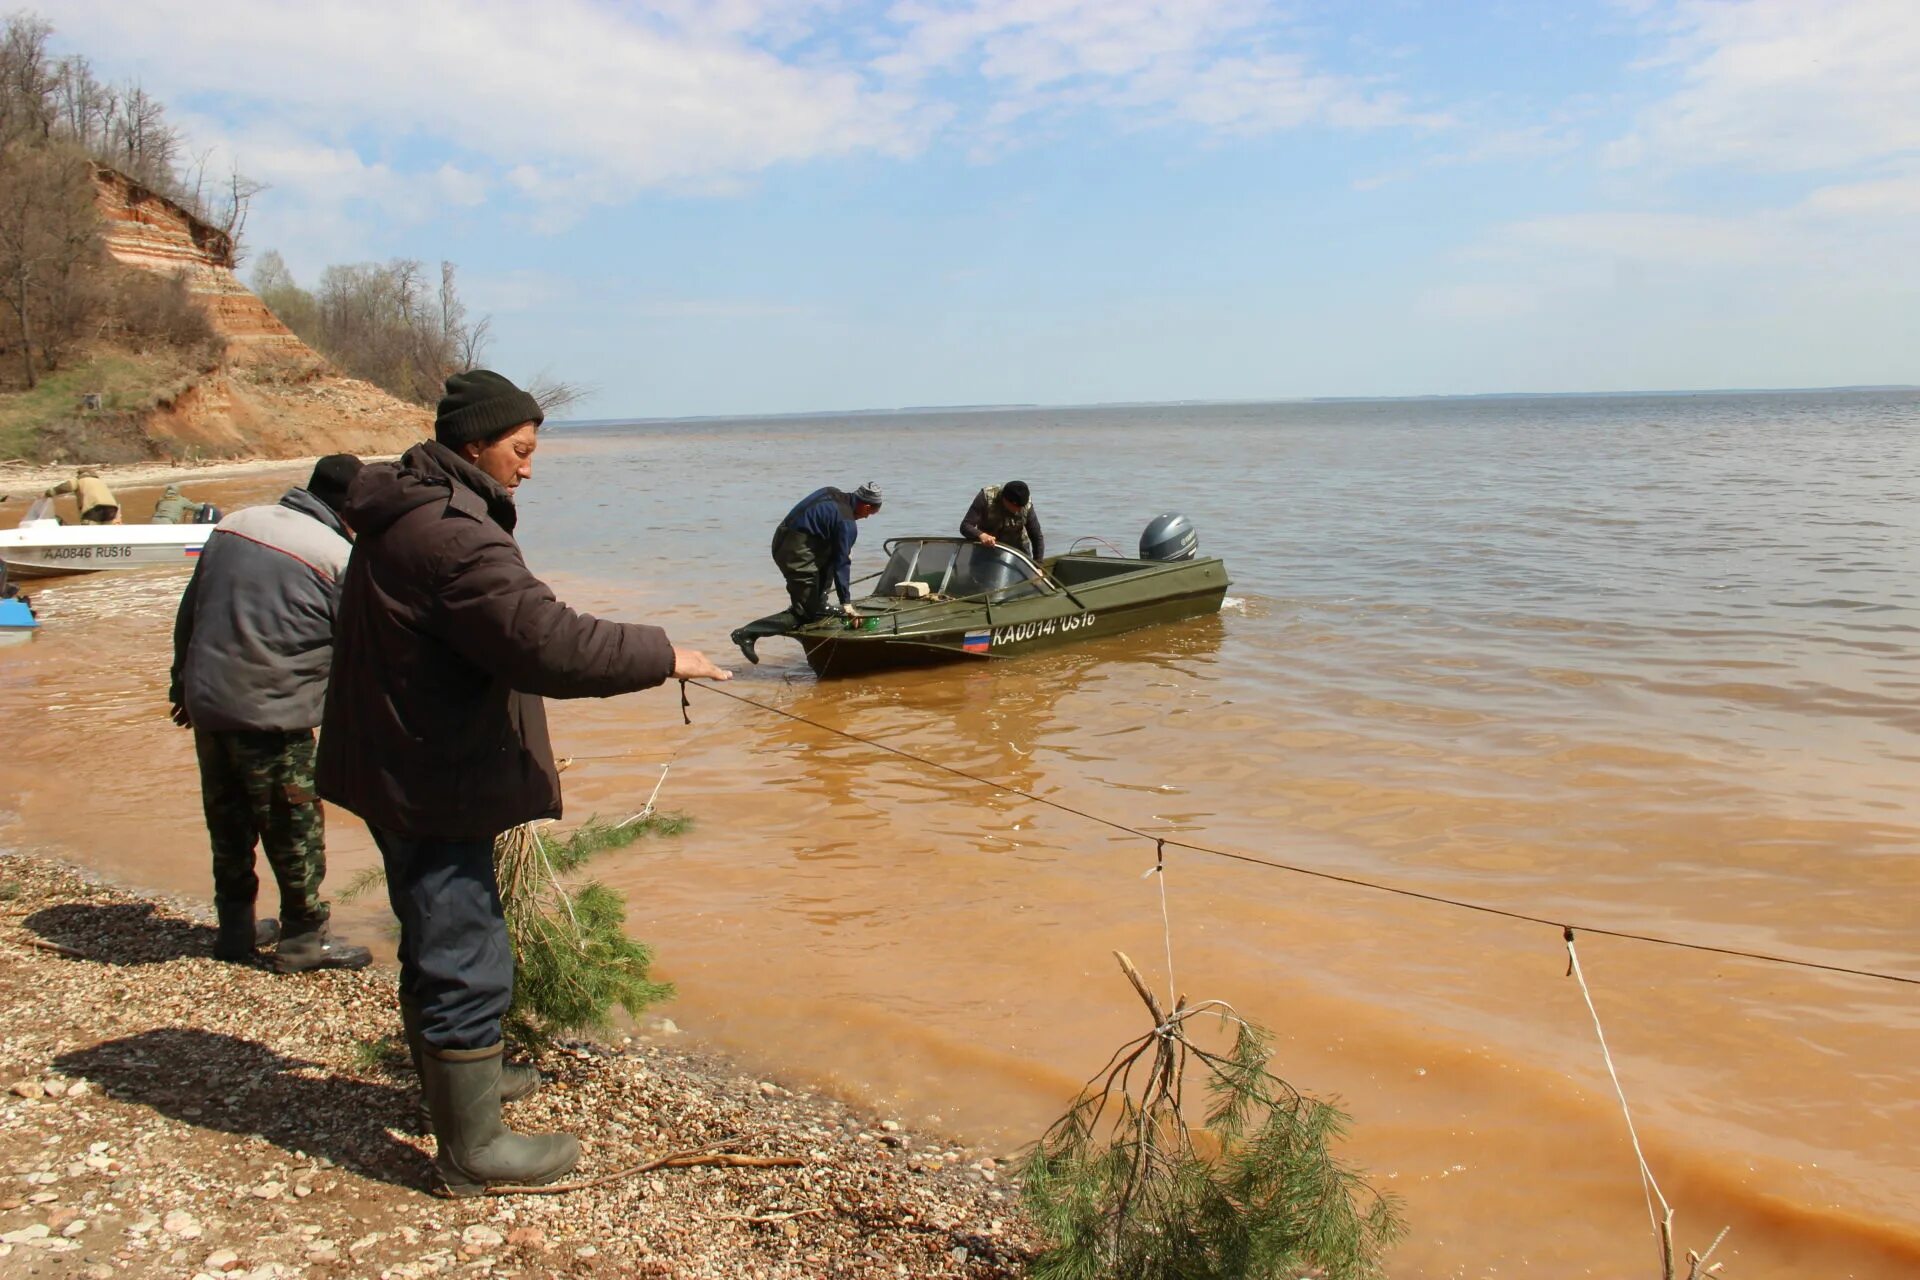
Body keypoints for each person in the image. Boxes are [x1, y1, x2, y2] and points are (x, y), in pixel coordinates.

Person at [316, 369, 731, 1196]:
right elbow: (547, 643)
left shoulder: (408, 512)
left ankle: (469, 1079)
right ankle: (473, 1150)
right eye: (521, 449)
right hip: (430, 777)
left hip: (400, 761)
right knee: (463, 948)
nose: (529, 468)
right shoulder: (452, 534)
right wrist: (665, 654)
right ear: (474, 445)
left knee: (442, 930)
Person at [170, 455, 373, 974]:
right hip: (274, 715)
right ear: (352, 509)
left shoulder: (235, 524)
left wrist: (181, 684)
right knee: (294, 830)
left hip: (208, 702)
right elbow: (363, 648)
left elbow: (190, 612)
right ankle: (304, 939)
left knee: (228, 822)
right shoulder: (337, 556)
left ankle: (235, 930)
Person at [729, 481, 883, 664]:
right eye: (870, 513)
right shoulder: (846, 522)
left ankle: (820, 605)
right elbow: (843, 564)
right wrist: (846, 603)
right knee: (804, 614)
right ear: (866, 506)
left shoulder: (832, 492)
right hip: (795, 552)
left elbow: (834, 553)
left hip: (787, 537)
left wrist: (842, 551)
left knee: (831, 560)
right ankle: (747, 633)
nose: (866, 517)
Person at [960, 480, 1044, 562]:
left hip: (1017, 550)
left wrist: (1038, 564)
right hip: (987, 548)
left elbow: (1036, 536)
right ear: (1005, 499)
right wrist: (981, 535)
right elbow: (965, 526)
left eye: (1021, 507)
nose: (1019, 510)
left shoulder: (1026, 504)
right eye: (1016, 506)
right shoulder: (986, 497)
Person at [46, 468, 120, 524]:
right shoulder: (99, 481)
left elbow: (65, 487)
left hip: (93, 508)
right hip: (112, 508)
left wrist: (49, 493)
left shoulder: (79, 480)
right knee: (107, 532)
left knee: (89, 533)